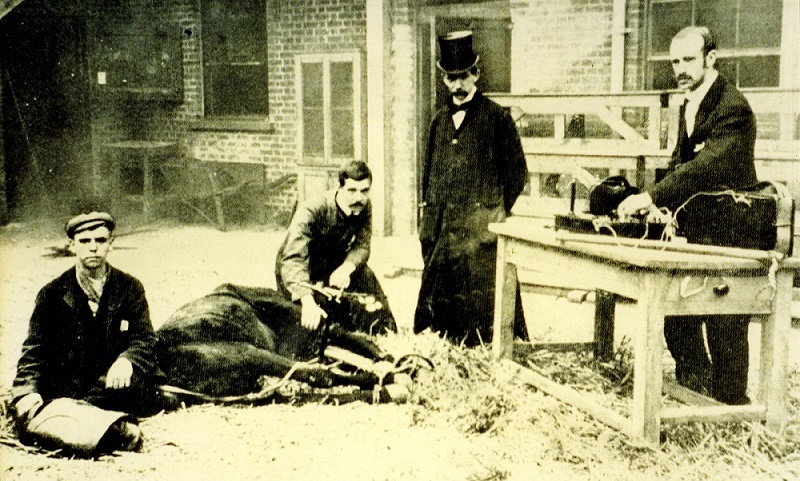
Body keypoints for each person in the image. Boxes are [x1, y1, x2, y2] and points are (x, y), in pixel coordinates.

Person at [617, 26, 757, 405]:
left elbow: (704, 169)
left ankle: (729, 406)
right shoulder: (689, 102)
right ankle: (695, 390)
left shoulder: (733, 107)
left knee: (725, 325)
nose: (679, 69)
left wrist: (651, 196)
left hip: (732, 232)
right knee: (677, 317)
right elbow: (680, 163)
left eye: (688, 60)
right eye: (675, 61)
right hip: (697, 229)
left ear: (711, 58)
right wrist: (658, 206)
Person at [10, 211, 168, 456]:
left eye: (100, 240)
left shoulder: (130, 287)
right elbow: (34, 352)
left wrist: (127, 360)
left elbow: (145, 338)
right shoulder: (51, 294)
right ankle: (102, 428)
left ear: (111, 244)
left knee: (135, 394)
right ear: (71, 246)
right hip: (69, 386)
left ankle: (94, 426)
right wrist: (26, 392)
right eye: (84, 242)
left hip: (115, 385)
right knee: (31, 413)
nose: (93, 248)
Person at [413, 30, 529, 347]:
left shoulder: (497, 118)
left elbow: (517, 173)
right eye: (451, 79)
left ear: (476, 74)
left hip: (481, 230)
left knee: (486, 299)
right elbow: (429, 175)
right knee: (440, 308)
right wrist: (431, 219)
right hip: (445, 228)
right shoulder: (438, 121)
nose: (457, 85)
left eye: (463, 76)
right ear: (444, 80)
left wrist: (491, 208)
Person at [275, 160, 396, 335]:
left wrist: (347, 267)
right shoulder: (311, 210)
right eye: (352, 190)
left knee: (367, 277)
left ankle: (387, 335)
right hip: (298, 273)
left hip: (333, 266)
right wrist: (307, 300)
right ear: (339, 187)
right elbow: (293, 258)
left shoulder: (364, 206)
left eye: (364, 191)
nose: (358, 198)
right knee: (312, 323)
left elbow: (362, 245)